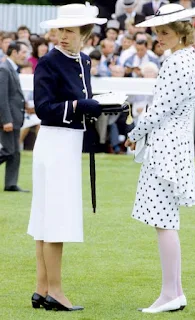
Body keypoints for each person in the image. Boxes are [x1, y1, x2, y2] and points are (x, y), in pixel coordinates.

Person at [125, 3, 195, 313]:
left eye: (165, 32)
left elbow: (161, 109)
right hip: (173, 143)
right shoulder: (185, 58)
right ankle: (175, 292)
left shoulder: (179, 62)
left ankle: (170, 294)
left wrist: (134, 130)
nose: (160, 36)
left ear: (182, 32)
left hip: (168, 146)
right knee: (165, 221)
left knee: (164, 221)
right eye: (158, 31)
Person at [27, 3, 107, 312]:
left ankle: (42, 288)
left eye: (69, 31)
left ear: (85, 34)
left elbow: (85, 98)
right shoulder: (48, 62)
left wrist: (98, 105)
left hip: (71, 142)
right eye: (60, 30)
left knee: (49, 219)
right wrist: (78, 106)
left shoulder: (83, 60)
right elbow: (45, 109)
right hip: (54, 142)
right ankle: (55, 292)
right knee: (53, 220)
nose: (62, 36)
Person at [0, 41, 29, 192]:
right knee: (8, 151)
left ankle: (11, 184)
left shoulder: (11, 68)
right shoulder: (4, 69)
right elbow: (2, 97)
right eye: (24, 52)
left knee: (15, 152)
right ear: (14, 52)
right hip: (8, 119)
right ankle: (10, 183)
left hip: (15, 117)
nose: (26, 56)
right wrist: (6, 120)